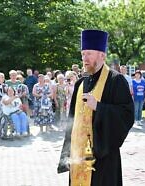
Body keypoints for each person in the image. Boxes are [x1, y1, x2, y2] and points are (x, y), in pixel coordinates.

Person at [57, 29, 134, 186]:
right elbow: (72, 123)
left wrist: (99, 107)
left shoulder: (116, 80)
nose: (84, 58)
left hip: (103, 158)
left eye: (89, 54)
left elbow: (126, 115)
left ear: (102, 55)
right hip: (78, 158)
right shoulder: (80, 83)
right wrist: (68, 154)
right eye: (83, 53)